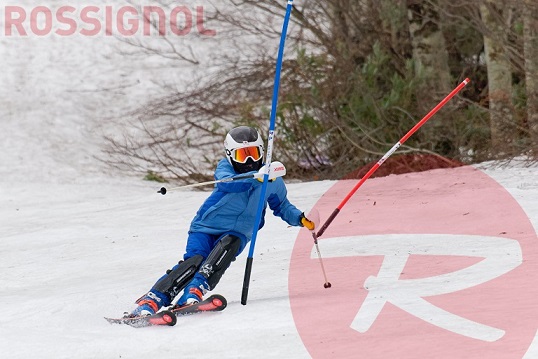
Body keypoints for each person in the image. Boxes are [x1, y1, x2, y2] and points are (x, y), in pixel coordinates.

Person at [127, 126, 315, 317]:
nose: (249, 160)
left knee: (226, 248)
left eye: (253, 153)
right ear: (231, 155)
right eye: (243, 156)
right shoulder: (225, 168)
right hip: (206, 226)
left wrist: (300, 218)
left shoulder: (273, 180)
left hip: (239, 231)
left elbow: (282, 205)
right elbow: (230, 184)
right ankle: (153, 299)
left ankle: (194, 293)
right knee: (195, 261)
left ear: (263, 152)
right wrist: (256, 179)